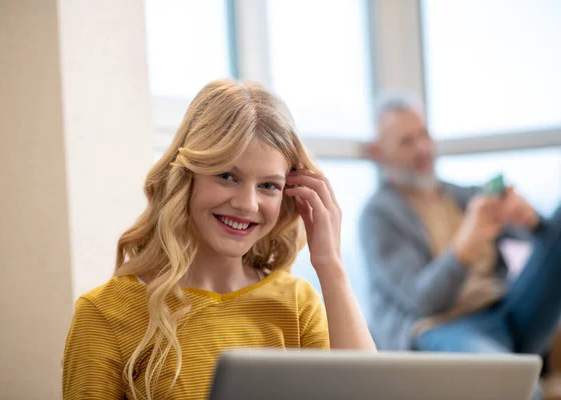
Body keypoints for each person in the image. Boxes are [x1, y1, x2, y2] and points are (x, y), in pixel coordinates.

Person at [62, 79, 376, 400]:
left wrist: (331, 267)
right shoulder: (103, 314)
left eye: (268, 185)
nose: (247, 204)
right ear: (186, 177)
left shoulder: (297, 304)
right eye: (227, 176)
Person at [360, 92, 561, 360]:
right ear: (378, 152)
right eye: (406, 141)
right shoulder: (378, 216)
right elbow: (424, 302)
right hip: (443, 326)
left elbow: (550, 254)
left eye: (424, 135)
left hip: (503, 310)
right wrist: (466, 243)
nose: (422, 148)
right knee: (506, 379)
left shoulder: (465, 196)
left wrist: (533, 222)